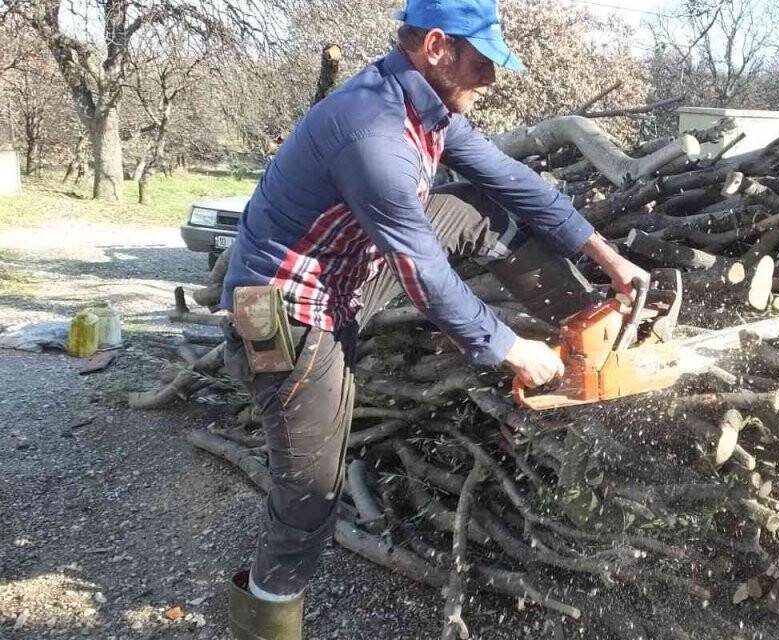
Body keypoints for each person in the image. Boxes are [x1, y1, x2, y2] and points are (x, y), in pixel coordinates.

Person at [218, 0, 647, 636]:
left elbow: (511, 179)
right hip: (287, 312)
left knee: (479, 208)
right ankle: (266, 617)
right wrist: (505, 346)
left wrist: (604, 254)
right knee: (311, 489)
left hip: (350, 274)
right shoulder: (373, 132)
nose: (493, 78)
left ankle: (593, 339)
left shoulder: (426, 108)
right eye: (482, 62)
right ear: (438, 46)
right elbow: (422, 272)